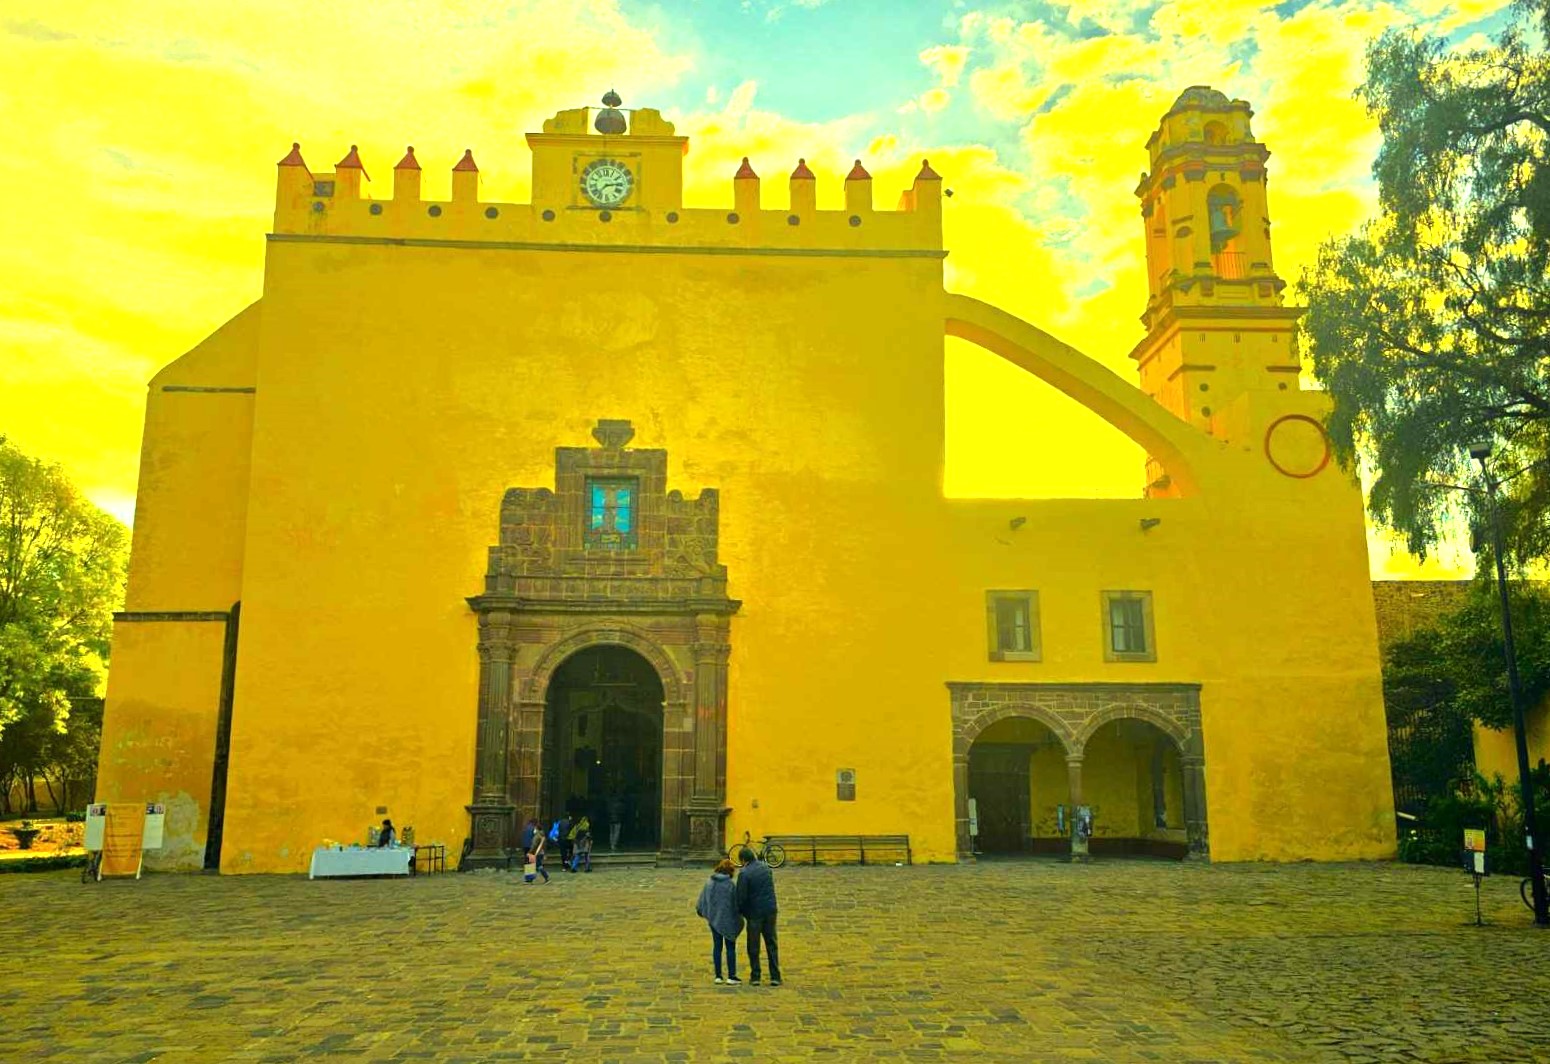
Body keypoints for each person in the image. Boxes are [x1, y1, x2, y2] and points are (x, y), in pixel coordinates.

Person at [735, 846, 782, 986]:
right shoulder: (766, 868)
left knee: (753, 946)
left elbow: (741, 897)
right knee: (771, 943)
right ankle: (775, 976)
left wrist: (741, 912)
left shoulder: (744, 873)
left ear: (743, 860)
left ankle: (756, 976)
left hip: (754, 913)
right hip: (770, 910)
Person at [696, 858, 743, 985]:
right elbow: (736, 904)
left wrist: (708, 913)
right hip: (728, 920)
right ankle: (731, 976)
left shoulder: (709, 882)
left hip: (714, 920)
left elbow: (701, 902)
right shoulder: (730, 885)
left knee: (717, 946)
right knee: (730, 947)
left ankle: (718, 976)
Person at [522, 818, 549, 884]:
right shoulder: (538, 832)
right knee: (533, 864)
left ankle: (529, 879)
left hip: (530, 849)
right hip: (535, 849)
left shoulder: (528, 829)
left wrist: (529, 851)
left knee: (530, 863)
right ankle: (530, 878)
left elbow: (533, 843)